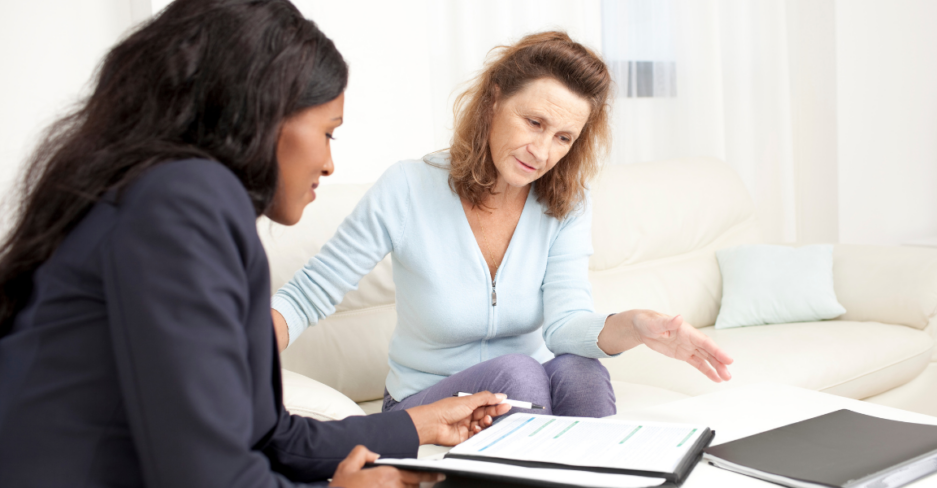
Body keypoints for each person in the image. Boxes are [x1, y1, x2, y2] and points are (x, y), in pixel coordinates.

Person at [0, 1, 509, 487]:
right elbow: (206, 477)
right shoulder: (182, 200)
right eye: (329, 132)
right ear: (264, 115)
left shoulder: (169, 195)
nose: (329, 164)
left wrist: (420, 425)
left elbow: (270, 437)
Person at [271, 31, 735, 419]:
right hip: (424, 402)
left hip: (526, 393)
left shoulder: (566, 202)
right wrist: (232, 349)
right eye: (534, 122)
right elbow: (309, 293)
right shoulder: (408, 188)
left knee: (580, 371)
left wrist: (636, 325)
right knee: (517, 373)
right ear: (494, 102)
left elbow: (565, 327)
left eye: (563, 138)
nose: (543, 151)